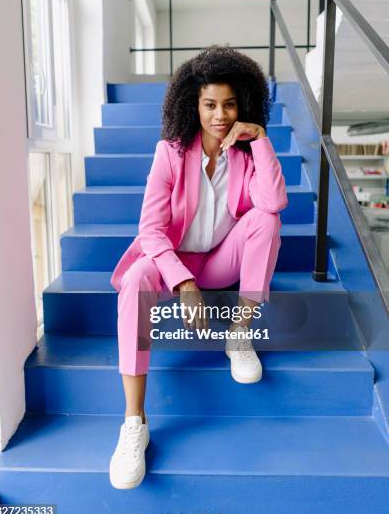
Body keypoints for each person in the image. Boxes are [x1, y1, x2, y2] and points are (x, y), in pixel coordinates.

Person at [108, 44, 288, 489]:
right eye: (210, 104)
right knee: (134, 280)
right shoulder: (169, 152)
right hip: (173, 262)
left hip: (223, 260)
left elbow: (274, 202)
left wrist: (261, 139)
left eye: (229, 104)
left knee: (266, 218)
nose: (220, 115)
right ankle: (134, 423)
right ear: (194, 104)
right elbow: (151, 230)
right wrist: (184, 283)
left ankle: (240, 332)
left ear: (242, 104)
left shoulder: (247, 155)